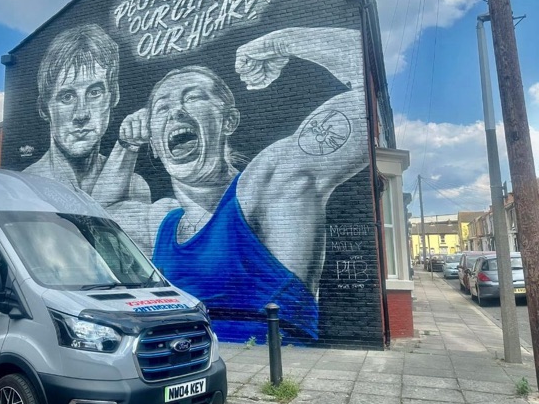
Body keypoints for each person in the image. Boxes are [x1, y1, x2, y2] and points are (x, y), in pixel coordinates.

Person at [99, 27, 368, 343]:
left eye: (194, 97)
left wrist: (280, 42)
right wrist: (126, 145)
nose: (177, 111)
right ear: (155, 146)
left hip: (271, 369)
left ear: (229, 121)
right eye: (162, 107)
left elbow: (368, 92)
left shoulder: (266, 186)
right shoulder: (163, 222)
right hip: (184, 366)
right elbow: (98, 215)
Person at [24, 23, 150, 202]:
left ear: (113, 96)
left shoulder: (135, 188)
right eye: (67, 96)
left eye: (94, 93)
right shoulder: (26, 188)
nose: (81, 114)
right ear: (44, 108)